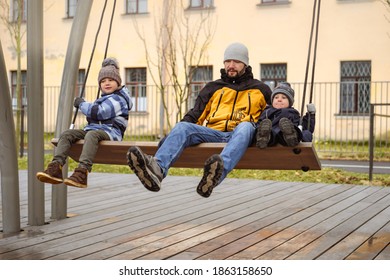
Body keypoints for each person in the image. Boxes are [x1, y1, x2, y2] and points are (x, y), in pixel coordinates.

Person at [127, 42, 272, 198]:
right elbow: (195, 114)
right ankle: (157, 170)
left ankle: (215, 174)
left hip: (241, 135)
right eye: (228, 61)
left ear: (245, 64)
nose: (231, 65)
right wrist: (173, 135)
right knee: (184, 126)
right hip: (213, 133)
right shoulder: (213, 87)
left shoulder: (261, 89)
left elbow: (271, 115)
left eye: (236, 62)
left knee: (246, 126)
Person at [36, 58, 132, 188]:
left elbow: (99, 112)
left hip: (111, 132)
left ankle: (82, 172)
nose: (107, 83)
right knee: (67, 134)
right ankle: (56, 167)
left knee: (91, 134)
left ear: (118, 82)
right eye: (103, 81)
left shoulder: (119, 99)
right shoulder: (105, 98)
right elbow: (94, 114)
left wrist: (82, 104)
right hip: (94, 130)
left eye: (111, 80)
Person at [255, 82, 303, 148]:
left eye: (284, 98)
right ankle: (264, 137)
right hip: (271, 133)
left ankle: (290, 136)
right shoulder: (267, 111)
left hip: (283, 136)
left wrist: (311, 115)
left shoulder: (293, 112)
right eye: (276, 97)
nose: (279, 100)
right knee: (267, 131)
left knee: (294, 130)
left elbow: (303, 125)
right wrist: (260, 129)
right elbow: (259, 122)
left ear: (290, 102)